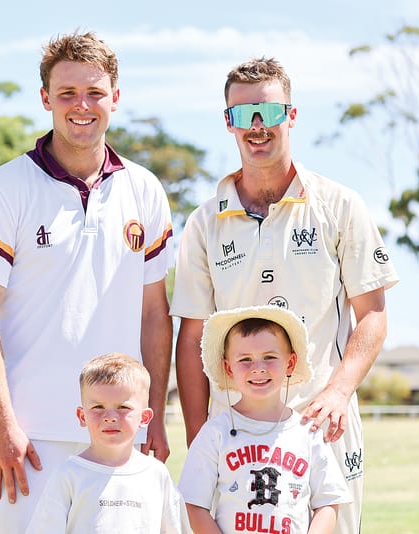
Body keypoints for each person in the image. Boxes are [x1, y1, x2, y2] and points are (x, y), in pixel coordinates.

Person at [0, 31, 174, 533]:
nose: (82, 106)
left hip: (118, 432)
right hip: (28, 441)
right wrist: (2, 424)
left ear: (115, 97)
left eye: (95, 93)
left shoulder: (145, 189)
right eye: (68, 93)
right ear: (46, 98)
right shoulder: (4, 188)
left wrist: (153, 413)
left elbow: (154, 315)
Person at [170, 57, 399, 533]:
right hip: (233, 431)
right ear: (228, 121)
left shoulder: (340, 205)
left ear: (291, 116)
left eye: (270, 113)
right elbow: (192, 337)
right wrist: (201, 440)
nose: (258, 126)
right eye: (244, 114)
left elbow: (372, 316)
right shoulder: (203, 221)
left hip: (323, 422)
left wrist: (338, 392)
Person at [178, 305, 351, 533]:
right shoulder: (215, 432)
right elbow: (193, 504)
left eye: (269, 357)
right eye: (245, 359)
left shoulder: (307, 432)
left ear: (290, 363)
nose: (258, 368)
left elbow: (328, 501)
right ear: (228, 368)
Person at [25, 353, 190, 533]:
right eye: (98, 407)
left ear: (144, 417)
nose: (110, 417)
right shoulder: (69, 475)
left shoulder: (157, 475)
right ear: (82, 416)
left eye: (123, 407)